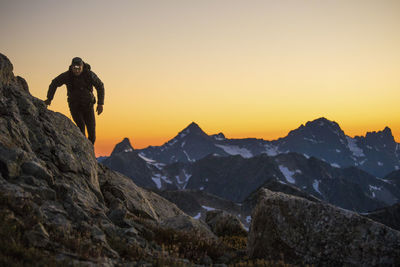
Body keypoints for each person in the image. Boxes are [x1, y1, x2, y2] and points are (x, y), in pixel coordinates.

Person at [44, 57, 105, 144]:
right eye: (74, 68)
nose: (76, 71)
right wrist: (49, 98)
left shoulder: (89, 75)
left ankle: (89, 153)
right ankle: (84, 153)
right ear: (71, 67)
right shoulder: (67, 76)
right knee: (81, 130)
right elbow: (54, 83)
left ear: (82, 67)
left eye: (78, 68)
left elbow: (100, 86)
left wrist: (100, 104)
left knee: (92, 134)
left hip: (88, 106)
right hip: (75, 107)